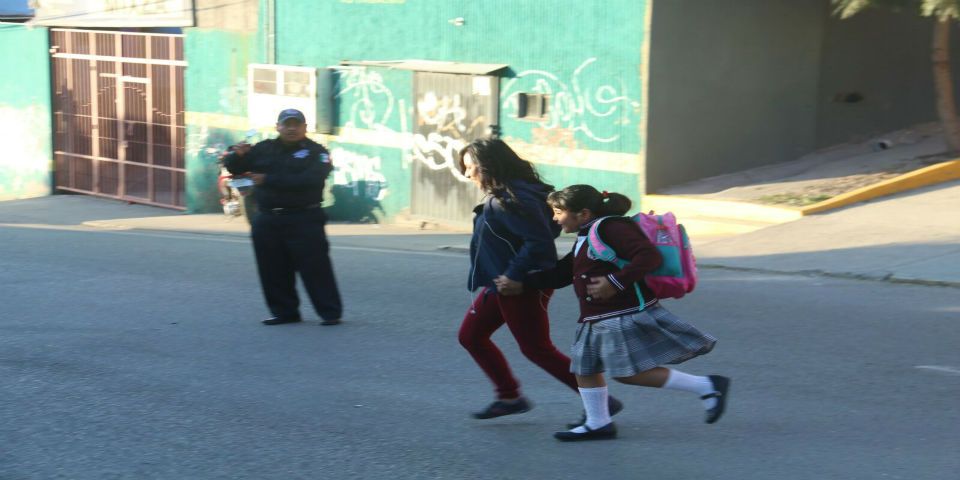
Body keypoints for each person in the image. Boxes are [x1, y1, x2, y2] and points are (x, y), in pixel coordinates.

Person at [496, 184, 730, 441]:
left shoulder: (611, 228)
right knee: (584, 369)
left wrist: (614, 282)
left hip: (620, 312)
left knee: (627, 373)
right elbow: (563, 274)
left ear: (583, 213)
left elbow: (649, 257)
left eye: (558, 211)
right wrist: (522, 282)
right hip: (595, 316)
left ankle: (707, 386)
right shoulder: (586, 234)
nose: (554, 218)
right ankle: (599, 423)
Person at [456, 138, 622, 422]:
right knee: (471, 336)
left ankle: (602, 401)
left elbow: (539, 243)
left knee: (537, 349)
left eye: (471, 168)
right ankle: (509, 396)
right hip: (503, 282)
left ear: (489, 166)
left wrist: (514, 275)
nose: (467, 174)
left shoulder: (512, 200)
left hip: (519, 284)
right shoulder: (517, 194)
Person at [223, 108, 343, 326]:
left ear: (305, 128)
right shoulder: (264, 148)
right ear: (278, 126)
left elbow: (311, 180)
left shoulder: (317, 152)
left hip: (304, 217)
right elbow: (235, 167)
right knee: (272, 268)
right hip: (268, 217)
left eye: (296, 124)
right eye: (287, 124)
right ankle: (284, 312)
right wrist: (237, 155)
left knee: (315, 267)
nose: (291, 129)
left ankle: (330, 313)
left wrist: (268, 179)